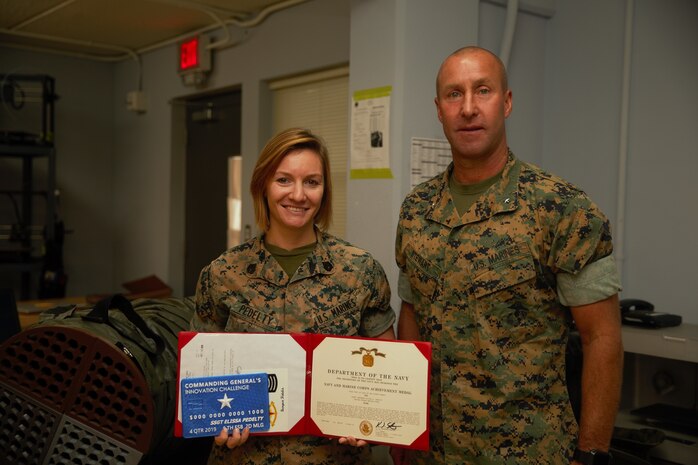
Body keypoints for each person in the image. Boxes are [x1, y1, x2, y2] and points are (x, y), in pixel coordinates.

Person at [391, 46, 624, 465]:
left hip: (526, 450)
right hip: (432, 450)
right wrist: (403, 431)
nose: (468, 108)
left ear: (507, 102)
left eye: (482, 91)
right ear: (438, 110)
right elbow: (411, 316)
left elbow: (602, 338)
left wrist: (592, 452)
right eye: (453, 94)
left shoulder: (562, 208)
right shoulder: (416, 210)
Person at [191, 127, 396, 464]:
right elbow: (200, 374)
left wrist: (371, 419)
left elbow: (386, 374)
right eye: (284, 180)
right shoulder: (222, 273)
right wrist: (215, 417)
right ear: (263, 186)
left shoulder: (360, 270)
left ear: (324, 191)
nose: (299, 195)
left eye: (312, 182)